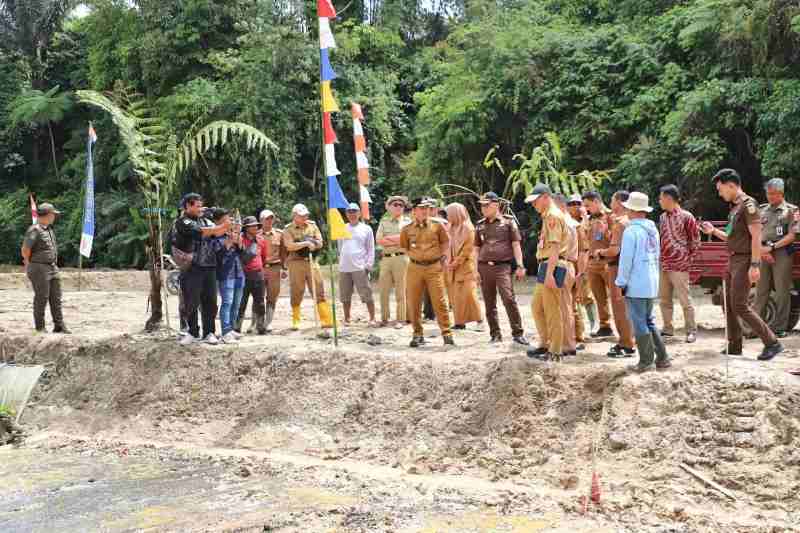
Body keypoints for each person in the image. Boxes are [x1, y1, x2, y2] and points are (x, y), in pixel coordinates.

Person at [700, 168, 783, 360]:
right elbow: (730, 236)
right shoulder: (735, 208)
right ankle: (734, 344)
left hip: (745, 260)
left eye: (721, 189)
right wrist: (713, 231)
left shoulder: (749, 205)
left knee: (739, 304)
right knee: (727, 302)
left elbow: (756, 236)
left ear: (731, 185)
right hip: (733, 259)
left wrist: (754, 265)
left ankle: (772, 343)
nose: (719, 193)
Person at [615, 192, 671, 372]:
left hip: (636, 282)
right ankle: (662, 358)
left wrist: (621, 282)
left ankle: (646, 361)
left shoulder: (631, 231)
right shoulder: (652, 229)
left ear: (631, 209)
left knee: (639, 322)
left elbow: (626, 260)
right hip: (652, 279)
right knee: (649, 320)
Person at [173, 193, 231, 345]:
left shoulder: (206, 220)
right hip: (192, 267)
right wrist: (222, 227)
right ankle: (192, 332)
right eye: (197, 206)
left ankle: (209, 332)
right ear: (187, 206)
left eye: (201, 205)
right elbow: (202, 232)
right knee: (191, 301)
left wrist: (227, 230)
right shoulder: (182, 222)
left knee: (210, 302)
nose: (200, 209)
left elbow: (217, 233)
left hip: (209, 266)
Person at [475, 192, 528, 345]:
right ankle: (495, 334)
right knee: (489, 302)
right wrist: (474, 270)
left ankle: (518, 333)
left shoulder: (508, 222)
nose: (483, 208)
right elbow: (476, 248)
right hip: (484, 267)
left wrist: (520, 265)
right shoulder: (480, 225)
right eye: (482, 205)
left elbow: (516, 245)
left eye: (487, 205)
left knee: (509, 299)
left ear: (496, 205)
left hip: (502, 267)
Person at [400, 197, 454, 347]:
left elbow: (446, 241)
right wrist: (415, 256)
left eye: (427, 208)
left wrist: (442, 255)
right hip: (414, 268)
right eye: (422, 208)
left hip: (433, 268)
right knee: (414, 301)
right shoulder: (407, 229)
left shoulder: (437, 226)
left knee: (440, 301)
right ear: (414, 210)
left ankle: (447, 334)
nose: (425, 211)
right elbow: (404, 246)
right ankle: (417, 334)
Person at [592, 191, 636, 358]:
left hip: (617, 267)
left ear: (618, 201)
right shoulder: (635, 222)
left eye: (611, 199)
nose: (610, 203)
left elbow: (614, 250)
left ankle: (626, 343)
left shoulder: (620, 223)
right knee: (630, 306)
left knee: (619, 307)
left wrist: (600, 252)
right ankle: (631, 339)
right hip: (633, 268)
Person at [527, 184, 568, 361]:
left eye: (535, 201)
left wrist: (550, 273)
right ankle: (545, 344)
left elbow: (555, 247)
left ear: (545, 197)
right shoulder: (547, 216)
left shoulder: (552, 216)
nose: (533, 205)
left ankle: (555, 350)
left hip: (553, 265)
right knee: (537, 307)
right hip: (547, 265)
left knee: (552, 310)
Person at [755, 178, 797, 338]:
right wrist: (762, 250)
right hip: (762, 251)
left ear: (781, 193)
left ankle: (779, 328)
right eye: (768, 193)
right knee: (761, 291)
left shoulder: (791, 211)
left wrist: (772, 248)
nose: (770, 197)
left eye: (773, 194)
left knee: (782, 291)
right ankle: (756, 327)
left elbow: (792, 235)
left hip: (781, 253)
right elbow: (755, 231)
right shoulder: (762, 210)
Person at [658, 184, 700, 343]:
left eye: (661, 198)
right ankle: (668, 329)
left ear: (669, 198)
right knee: (664, 299)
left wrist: (687, 259)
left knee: (685, 300)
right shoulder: (662, 217)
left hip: (680, 265)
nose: (659, 201)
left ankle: (691, 330)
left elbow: (695, 240)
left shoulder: (687, 216)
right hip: (664, 264)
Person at [283, 203, 334, 330]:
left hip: (312, 262)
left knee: (319, 289)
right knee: (297, 290)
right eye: (301, 215)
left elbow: (320, 242)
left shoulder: (312, 226)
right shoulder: (288, 229)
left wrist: (314, 243)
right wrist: (305, 243)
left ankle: (326, 319)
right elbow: (289, 245)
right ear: (294, 215)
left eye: (306, 215)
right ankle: (296, 320)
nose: (304, 217)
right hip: (296, 263)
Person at [21, 202, 69, 334]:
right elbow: (25, 249)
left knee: (56, 297)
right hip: (39, 267)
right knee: (42, 297)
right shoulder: (34, 229)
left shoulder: (48, 229)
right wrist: (29, 263)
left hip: (52, 267)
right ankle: (40, 327)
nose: (54, 217)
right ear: (47, 215)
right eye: (53, 214)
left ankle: (59, 325)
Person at [445, 202, 483, 330]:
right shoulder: (451, 228)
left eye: (449, 214)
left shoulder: (468, 228)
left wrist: (456, 262)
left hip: (466, 267)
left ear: (456, 214)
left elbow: (468, 249)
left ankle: (480, 321)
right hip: (452, 269)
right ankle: (459, 322)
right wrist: (448, 262)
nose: (447, 216)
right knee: (456, 296)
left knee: (469, 294)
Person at [582, 191, 615, 339]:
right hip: (592, 263)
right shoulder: (588, 219)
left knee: (616, 297)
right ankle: (604, 325)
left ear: (596, 201)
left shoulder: (611, 217)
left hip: (608, 263)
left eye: (588, 205)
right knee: (599, 297)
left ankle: (626, 327)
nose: (587, 209)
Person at [375, 196, 411, 328]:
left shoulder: (408, 222)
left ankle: (400, 319)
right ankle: (384, 318)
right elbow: (379, 240)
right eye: (395, 204)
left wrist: (389, 239)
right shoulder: (384, 222)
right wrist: (398, 239)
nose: (398, 207)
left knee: (401, 290)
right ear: (389, 207)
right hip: (386, 258)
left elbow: (408, 240)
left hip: (402, 258)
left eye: (401, 205)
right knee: (383, 290)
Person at [338, 203, 376, 325]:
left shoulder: (366, 228)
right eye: (349, 211)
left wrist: (369, 265)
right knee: (345, 294)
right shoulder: (342, 228)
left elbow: (371, 248)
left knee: (366, 293)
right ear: (346, 214)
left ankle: (372, 318)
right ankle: (347, 318)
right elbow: (340, 247)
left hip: (360, 266)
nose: (352, 214)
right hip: (344, 267)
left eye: (354, 211)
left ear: (359, 213)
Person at [211, 208, 244, 343]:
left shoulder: (231, 233)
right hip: (225, 274)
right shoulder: (214, 236)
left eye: (229, 219)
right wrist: (229, 243)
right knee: (227, 303)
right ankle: (225, 332)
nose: (229, 221)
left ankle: (231, 329)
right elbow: (216, 255)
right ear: (218, 221)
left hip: (238, 272)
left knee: (236, 304)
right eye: (226, 219)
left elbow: (242, 253)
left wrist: (239, 242)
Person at [566, 194, 596, 342]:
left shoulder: (589, 220)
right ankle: (579, 330)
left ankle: (593, 325)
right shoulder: (565, 222)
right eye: (571, 203)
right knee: (574, 298)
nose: (575, 206)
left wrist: (585, 217)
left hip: (587, 262)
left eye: (578, 203)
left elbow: (588, 235)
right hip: (572, 262)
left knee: (587, 296)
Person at [554, 194, 580, 355]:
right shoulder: (569, 222)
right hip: (566, 264)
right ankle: (563, 342)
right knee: (563, 305)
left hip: (562, 263)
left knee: (563, 306)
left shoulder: (563, 221)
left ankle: (568, 344)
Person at [236, 216, 269, 335]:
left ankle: (261, 327)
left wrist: (261, 268)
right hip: (243, 274)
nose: (255, 227)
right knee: (241, 302)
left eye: (256, 225)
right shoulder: (239, 240)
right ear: (246, 228)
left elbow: (264, 257)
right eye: (252, 225)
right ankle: (237, 327)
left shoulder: (261, 240)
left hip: (258, 274)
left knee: (260, 302)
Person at [260, 209, 286, 332]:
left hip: (275, 268)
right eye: (267, 219)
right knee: (258, 296)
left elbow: (283, 252)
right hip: (259, 269)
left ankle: (268, 322)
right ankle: (256, 323)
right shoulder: (256, 234)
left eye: (271, 218)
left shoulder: (279, 234)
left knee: (272, 296)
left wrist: (284, 267)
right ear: (261, 220)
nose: (270, 221)